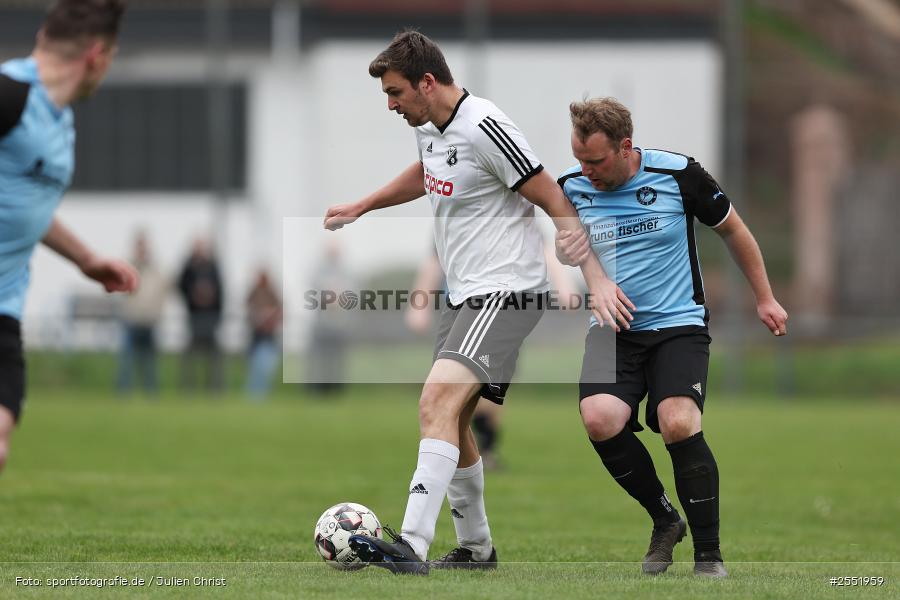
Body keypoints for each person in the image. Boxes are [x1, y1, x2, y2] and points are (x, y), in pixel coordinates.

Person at [324, 30, 629, 575]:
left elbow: (551, 195)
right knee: (456, 418)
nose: (391, 105)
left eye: (395, 93)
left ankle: (411, 546)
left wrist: (592, 277)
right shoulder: (431, 128)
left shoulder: (485, 125)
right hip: (465, 295)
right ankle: (476, 549)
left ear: (426, 83)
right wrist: (367, 204)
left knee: (434, 402)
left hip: (507, 290)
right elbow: (428, 173)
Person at [555, 97, 788, 578]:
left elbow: (734, 231)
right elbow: (567, 250)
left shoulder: (680, 175)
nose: (587, 170)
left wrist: (764, 297)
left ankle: (709, 555)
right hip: (611, 330)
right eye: (579, 159)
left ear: (625, 147)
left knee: (678, 421)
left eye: (596, 161)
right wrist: (567, 252)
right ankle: (664, 519)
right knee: (599, 418)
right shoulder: (571, 188)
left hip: (677, 324)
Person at [0, 0, 137, 474]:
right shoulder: (9, 93)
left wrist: (84, 259)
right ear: (97, 56)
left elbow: (22, 204)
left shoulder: (59, 119)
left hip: (4, 308)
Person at [116, 230, 169, 396]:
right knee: (127, 362)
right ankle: (123, 393)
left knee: (149, 363)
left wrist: (158, 312)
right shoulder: (124, 268)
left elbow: (163, 292)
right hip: (131, 320)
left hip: (150, 321)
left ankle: (151, 394)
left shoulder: (156, 271)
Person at [177, 237, 225, 392]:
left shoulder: (213, 267)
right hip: (194, 316)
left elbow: (221, 291)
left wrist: (217, 313)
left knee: (214, 355)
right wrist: (194, 295)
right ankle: (188, 387)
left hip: (211, 317)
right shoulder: (189, 266)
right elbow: (180, 285)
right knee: (190, 354)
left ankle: (214, 388)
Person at [245, 268, 282, 399]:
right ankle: (254, 395)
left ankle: (263, 392)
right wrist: (259, 318)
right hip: (257, 336)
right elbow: (248, 311)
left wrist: (270, 317)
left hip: (270, 336)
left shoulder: (272, 293)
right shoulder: (253, 293)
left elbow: (280, 311)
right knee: (256, 367)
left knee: (268, 366)